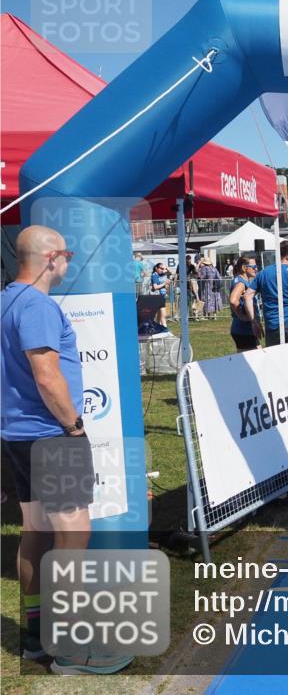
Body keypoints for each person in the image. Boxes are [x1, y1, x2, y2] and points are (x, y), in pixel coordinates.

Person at [1, 226, 132, 673]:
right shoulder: (36, 306)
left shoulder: (7, 300)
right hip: (50, 433)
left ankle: (38, 637)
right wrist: (73, 426)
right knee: (72, 536)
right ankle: (74, 649)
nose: (70, 261)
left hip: (19, 435)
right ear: (52, 257)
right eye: (69, 253)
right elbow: (46, 375)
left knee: (36, 532)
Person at [228, 256, 261, 352]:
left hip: (243, 329)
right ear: (244, 268)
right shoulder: (241, 283)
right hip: (244, 329)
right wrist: (242, 316)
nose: (256, 269)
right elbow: (233, 300)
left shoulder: (241, 280)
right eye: (254, 266)